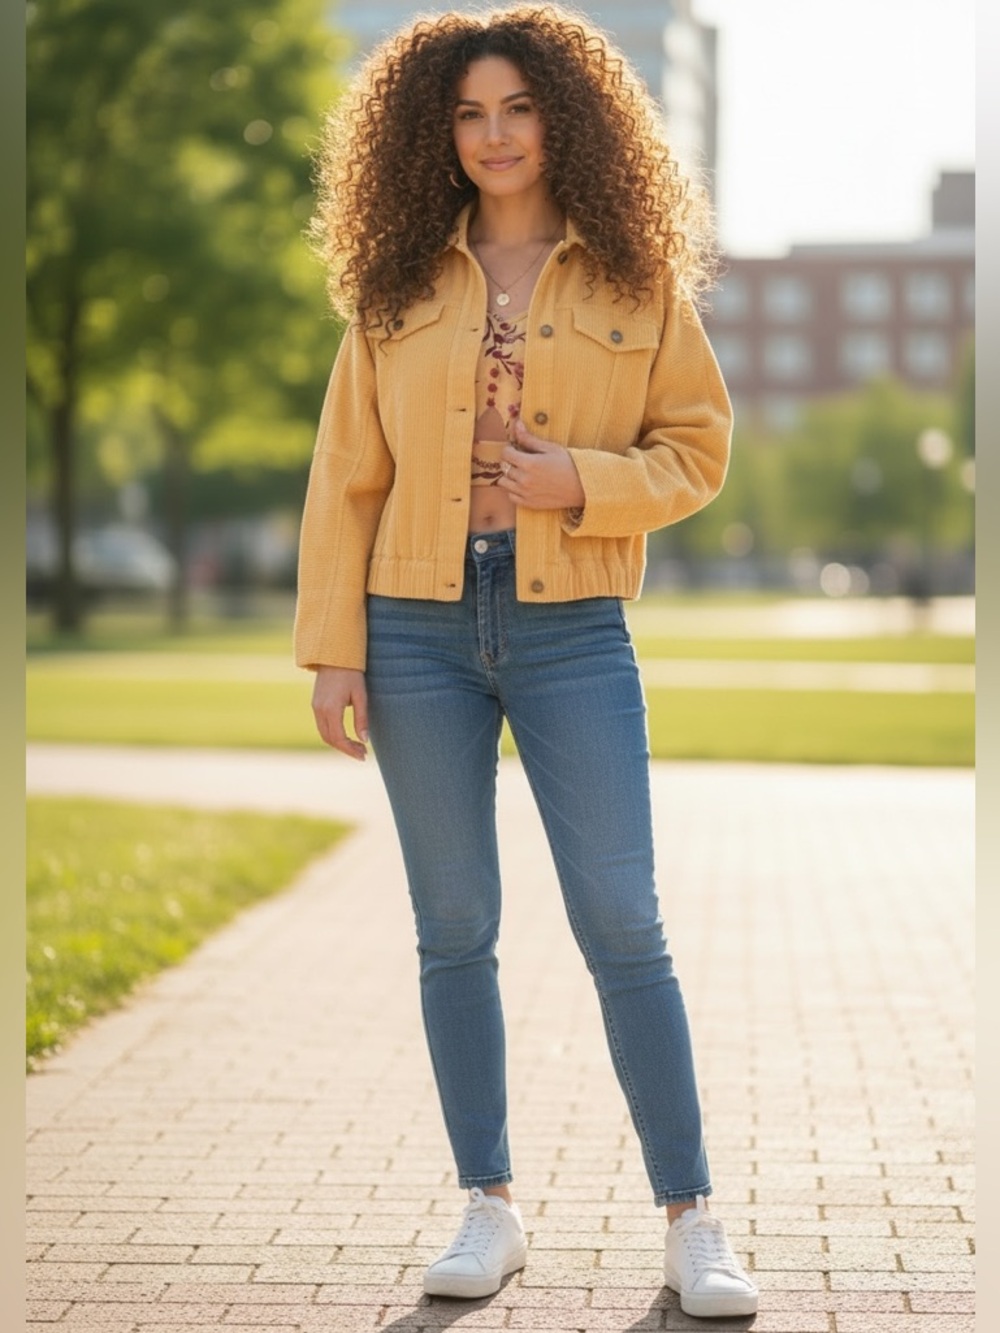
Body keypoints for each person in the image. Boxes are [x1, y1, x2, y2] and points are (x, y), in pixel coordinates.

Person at [294, 4, 757, 1317]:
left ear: (567, 118)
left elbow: (700, 451)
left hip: (572, 627)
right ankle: (488, 1206)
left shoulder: (632, 278)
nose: (493, 134)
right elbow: (345, 477)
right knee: (454, 927)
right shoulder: (395, 285)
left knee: (624, 918)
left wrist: (579, 481)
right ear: (436, 134)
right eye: (467, 113)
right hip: (411, 624)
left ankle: (693, 1219)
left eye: (517, 107)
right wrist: (334, 649)